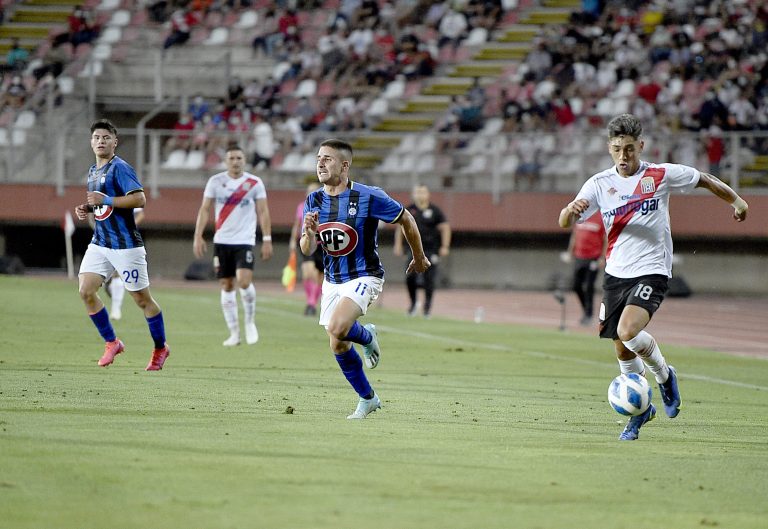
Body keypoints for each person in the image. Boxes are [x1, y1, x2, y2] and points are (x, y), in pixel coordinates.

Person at [558, 113, 749, 441]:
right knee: (622, 351)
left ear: (641, 146)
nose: (623, 156)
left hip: (652, 270)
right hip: (615, 274)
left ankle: (664, 376)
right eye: (617, 149)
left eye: (629, 149)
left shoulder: (660, 175)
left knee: (629, 330)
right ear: (609, 148)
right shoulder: (599, 184)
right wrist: (568, 212)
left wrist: (737, 200)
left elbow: (702, 178)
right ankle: (640, 412)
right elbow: (565, 222)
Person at [300, 139, 430, 419]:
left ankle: (368, 335)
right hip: (332, 280)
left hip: (364, 275)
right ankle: (368, 398)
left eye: (328, 159)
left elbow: (406, 218)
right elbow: (307, 249)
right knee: (338, 343)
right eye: (318, 158)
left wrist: (418, 257)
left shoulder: (368, 196)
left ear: (345, 165)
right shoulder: (314, 200)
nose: (320, 163)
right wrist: (309, 233)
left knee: (338, 326)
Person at [74, 119, 170, 371]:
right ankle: (112, 342)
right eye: (96, 137)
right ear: (91, 142)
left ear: (115, 142)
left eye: (106, 137)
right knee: (85, 290)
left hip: (126, 246)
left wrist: (106, 199)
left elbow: (140, 199)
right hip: (101, 243)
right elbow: (103, 204)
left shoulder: (121, 168)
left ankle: (161, 347)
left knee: (142, 300)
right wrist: (88, 208)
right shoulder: (93, 171)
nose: (101, 141)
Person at [193, 145, 273, 347]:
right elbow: (204, 209)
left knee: (244, 281)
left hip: (244, 241)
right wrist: (198, 235)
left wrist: (267, 239)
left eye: (239, 158)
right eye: (231, 158)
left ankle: (249, 322)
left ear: (244, 160)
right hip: (222, 240)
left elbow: (263, 212)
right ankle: (234, 333)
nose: (235, 161)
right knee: (226, 285)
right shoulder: (216, 182)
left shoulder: (254, 183)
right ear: (225, 161)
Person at [393, 184, 451, 318]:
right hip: (412, 250)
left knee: (429, 279)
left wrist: (445, 246)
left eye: (423, 192)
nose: (420, 195)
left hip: (431, 249)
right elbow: (400, 228)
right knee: (410, 277)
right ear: (413, 194)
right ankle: (413, 304)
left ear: (428, 194)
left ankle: (427, 307)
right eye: (418, 192)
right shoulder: (409, 210)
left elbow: (445, 227)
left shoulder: (435, 211)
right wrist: (398, 245)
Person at [563, 211, 605, 326]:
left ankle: (588, 314)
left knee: (588, 286)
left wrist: (602, 257)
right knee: (576, 285)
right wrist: (570, 252)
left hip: (593, 258)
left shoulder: (601, 217)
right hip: (579, 256)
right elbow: (575, 236)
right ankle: (586, 309)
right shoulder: (581, 217)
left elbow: (605, 238)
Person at [289, 182, 323, 316]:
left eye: (314, 190)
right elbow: (297, 225)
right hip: (306, 242)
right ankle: (310, 302)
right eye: (309, 190)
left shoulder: (324, 206)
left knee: (320, 276)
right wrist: (292, 240)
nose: (311, 193)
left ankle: (312, 304)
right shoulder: (301, 207)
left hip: (322, 243)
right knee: (308, 273)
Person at [105, 207, 145, 320]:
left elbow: (141, 215)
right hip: (106, 236)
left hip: (125, 237)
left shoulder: (128, 192)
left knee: (118, 271)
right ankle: (110, 285)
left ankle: (115, 310)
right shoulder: (103, 192)